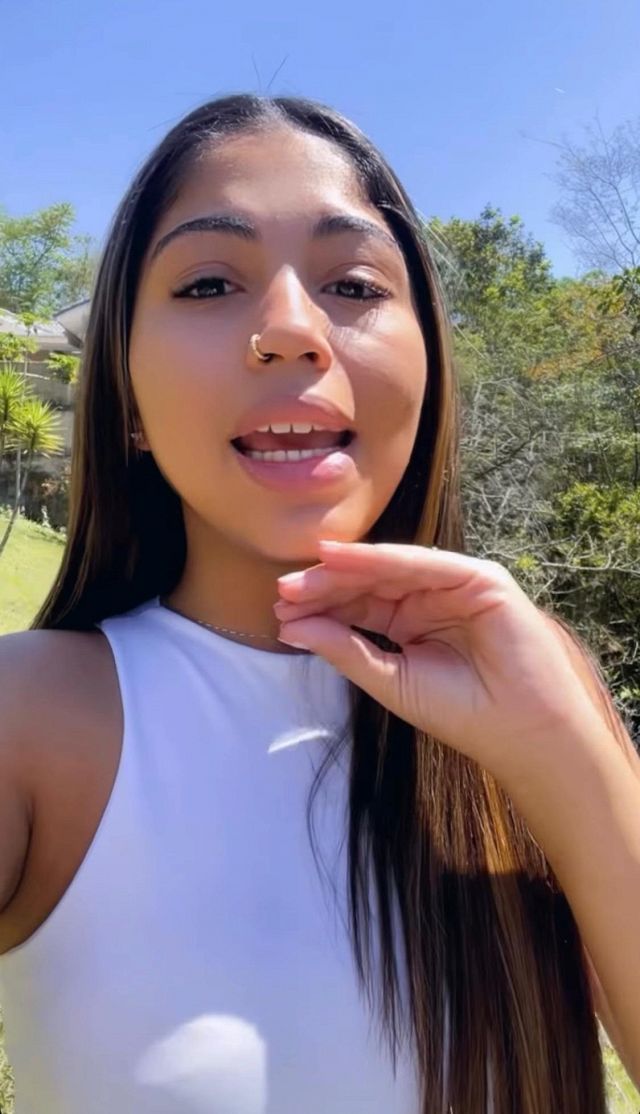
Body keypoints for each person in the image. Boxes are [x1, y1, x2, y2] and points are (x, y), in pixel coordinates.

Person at [0, 94, 638, 1114]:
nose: (291, 330)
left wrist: (565, 760)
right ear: (126, 397)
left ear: (428, 366)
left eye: (353, 284)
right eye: (209, 283)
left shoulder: (538, 682)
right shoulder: (29, 716)